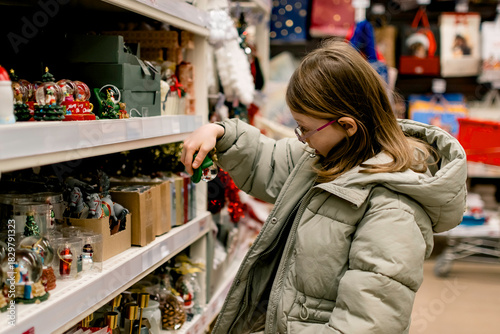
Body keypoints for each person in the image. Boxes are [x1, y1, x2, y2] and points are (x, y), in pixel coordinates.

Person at [181, 40, 467, 334]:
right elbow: (267, 160)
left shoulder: (393, 209)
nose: (301, 138)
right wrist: (220, 133)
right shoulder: (329, 158)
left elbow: (368, 324)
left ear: (347, 125)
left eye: (304, 128)